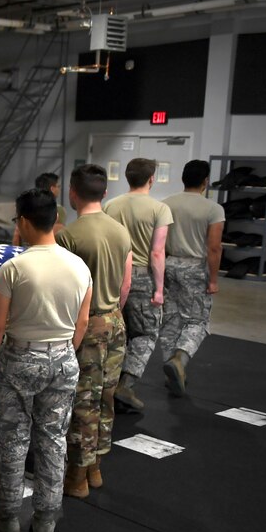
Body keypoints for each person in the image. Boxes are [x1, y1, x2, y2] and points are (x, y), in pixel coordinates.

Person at [0, 189, 92, 532]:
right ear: (54, 221)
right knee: (53, 440)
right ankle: (45, 521)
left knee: (12, 439)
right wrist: (62, 354)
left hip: (18, 360)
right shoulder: (78, 265)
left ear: (23, 222)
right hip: (62, 358)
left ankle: (7, 516)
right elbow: (82, 323)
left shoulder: (15, 267)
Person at [55, 165, 132, 498]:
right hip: (115, 320)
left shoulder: (68, 235)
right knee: (105, 397)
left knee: (82, 400)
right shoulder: (120, 231)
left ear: (72, 192)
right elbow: (125, 284)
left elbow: (65, 290)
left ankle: (77, 474)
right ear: (104, 194)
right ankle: (96, 465)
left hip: (87, 324)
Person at [104, 158, 174, 411]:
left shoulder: (110, 205)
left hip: (113, 275)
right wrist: (158, 289)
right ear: (151, 179)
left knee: (117, 332)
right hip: (142, 276)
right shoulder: (160, 209)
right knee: (145, 334)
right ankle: (126, 386)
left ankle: (107, 385)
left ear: (127, 177)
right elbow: (157, 253)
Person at [158, 160, 225, 395]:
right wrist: (214, 279)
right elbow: (214, 247)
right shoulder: (213, 209)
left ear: (183, 178)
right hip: (195, 267)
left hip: (169, 264)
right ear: (205, 181)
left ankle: (172, 371)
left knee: (171, 319)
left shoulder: (166, 205)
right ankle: (180, 360)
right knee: (198, 321)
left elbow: (158, 242)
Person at [12, 172, 67, 244]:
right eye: (58, 186)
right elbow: (59, 233)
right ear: (52, 189)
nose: (59, 189)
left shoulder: (26, 207)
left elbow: (17, 235)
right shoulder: (59, 210)